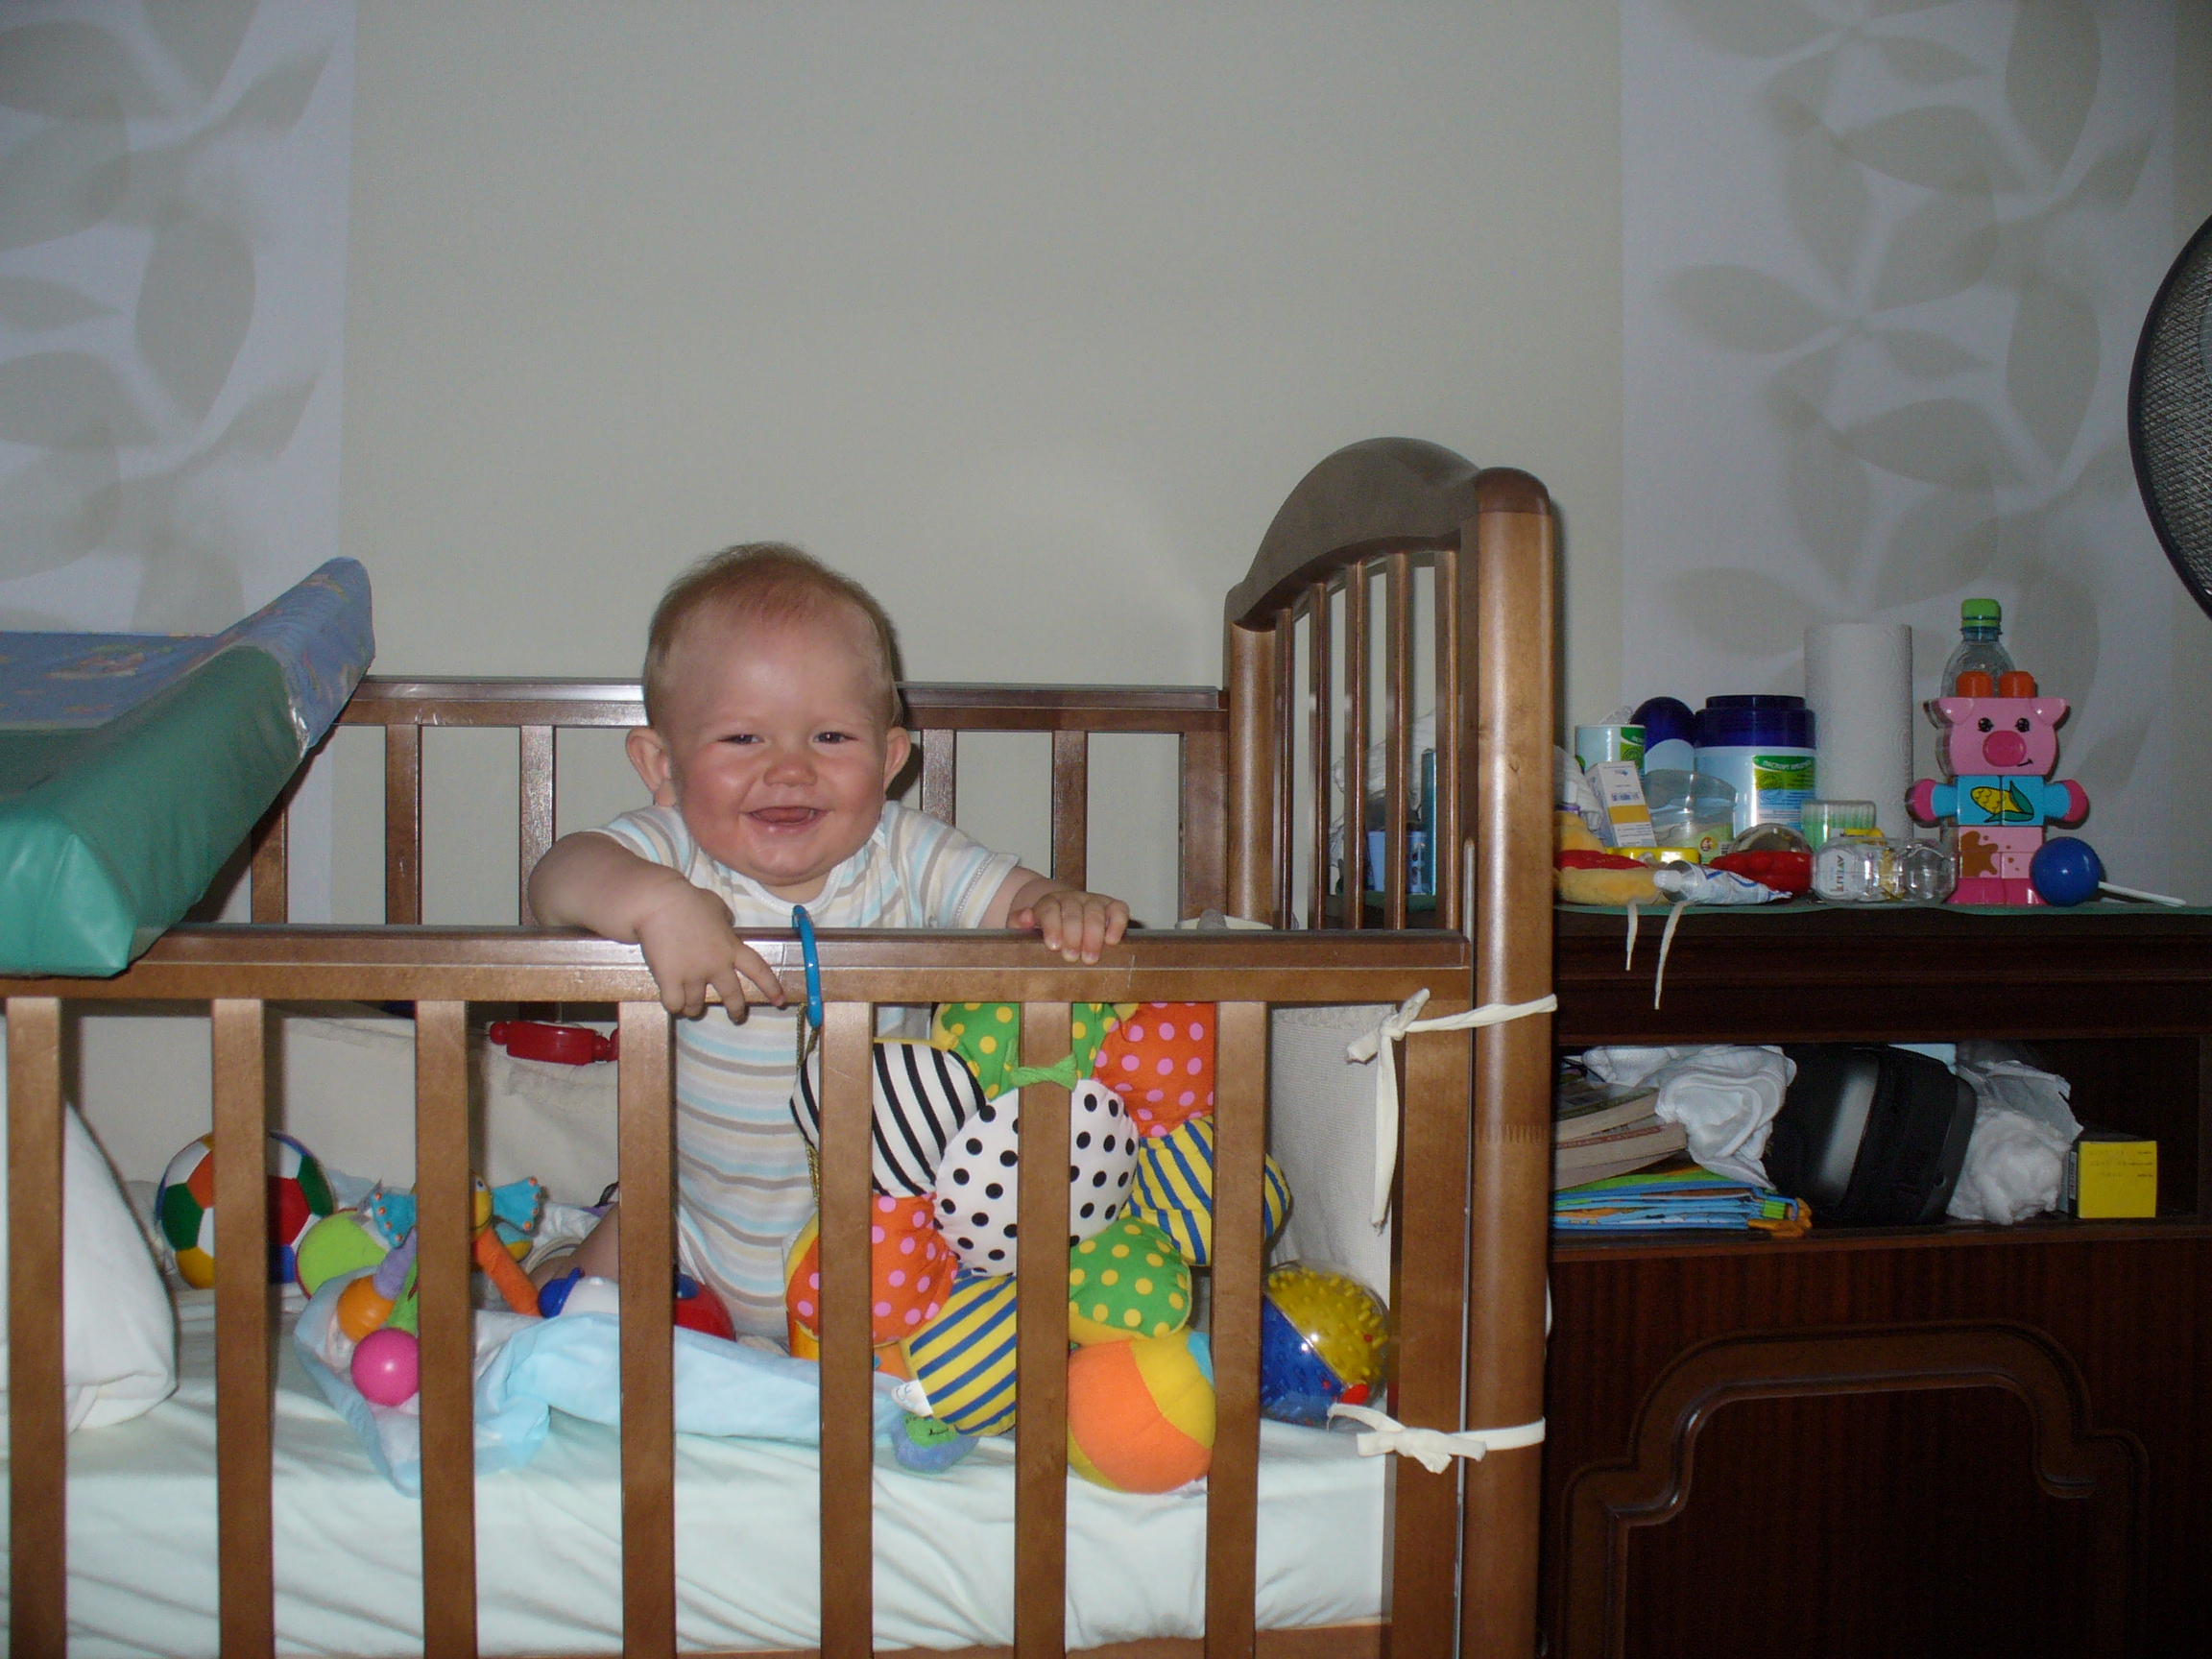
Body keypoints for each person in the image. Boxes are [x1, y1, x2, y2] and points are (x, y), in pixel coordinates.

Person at [528, 542, 1129, 1338]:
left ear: (888, 759)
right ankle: (549, 1264)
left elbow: (1014, 903)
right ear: (662, 766)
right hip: (687, 1227)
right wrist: (653, 902)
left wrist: (1059, 907)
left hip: (884, 1239)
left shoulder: (905, 852)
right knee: (561, 1313)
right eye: (743, 740)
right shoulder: (672, 854)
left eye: (832, 739)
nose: (790, 770)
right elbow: (556, 881)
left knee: (972, 1337)